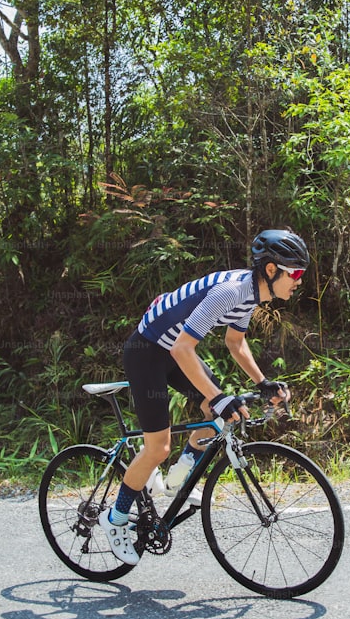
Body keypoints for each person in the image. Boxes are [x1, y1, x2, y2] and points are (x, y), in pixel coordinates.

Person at [99, 228, 310, 564]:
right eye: (295, 273)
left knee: (219, 416)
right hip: (147, 351)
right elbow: (184, 347)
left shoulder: (251, 294)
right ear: (271, 270)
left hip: (173, 349)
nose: (299, 281)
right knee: (159, 447)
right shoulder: (231, 292)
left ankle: (176, 480)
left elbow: (235, 343)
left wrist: (262, 381)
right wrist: (218, 396)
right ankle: (115, 519)